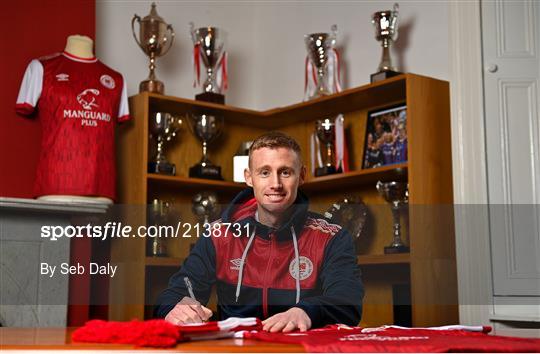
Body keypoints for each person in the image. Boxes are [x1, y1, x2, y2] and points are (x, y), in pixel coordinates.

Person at [155, 131, 363, 332]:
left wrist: (306, 312)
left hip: (302, 349)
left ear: (301, 176)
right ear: (248, 177)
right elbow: (175, 293)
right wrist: (175, 309)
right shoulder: (218, 235)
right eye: (265, 172)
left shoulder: (332, 236)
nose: (275, 184)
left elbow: (347, 301)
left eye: (285, 172)